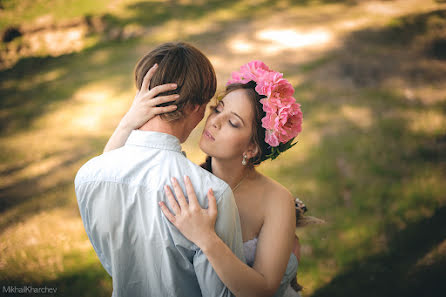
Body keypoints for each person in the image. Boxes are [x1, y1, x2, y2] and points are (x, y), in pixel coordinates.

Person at [105, 60, 305, 297]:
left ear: (251, 148)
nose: (215, 122)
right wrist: (130, 120)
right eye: (218, 109)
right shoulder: (188, 182)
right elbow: (109, 174)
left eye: (233, 122)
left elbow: (263, 289)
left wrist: (206, 239)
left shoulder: (276, 199)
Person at [74, 42, 246, 297]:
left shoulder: (88, 176)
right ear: (193, 108)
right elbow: (221, 294)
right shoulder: (211, 194)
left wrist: (128, 122)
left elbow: (112, 264)